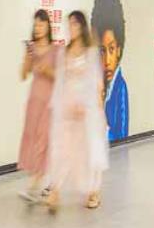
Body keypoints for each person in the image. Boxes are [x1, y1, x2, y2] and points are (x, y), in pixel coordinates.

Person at [45, 11, 108, 211]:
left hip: (87, 109)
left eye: (75, 24)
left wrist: (96, 107)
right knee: (63, 149)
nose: (71, 28)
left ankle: (93, 191)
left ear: (82, 27)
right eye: (69, 24)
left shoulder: (90, 52)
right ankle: (55, 190)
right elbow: (60, 81)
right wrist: (58, 106)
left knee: (90, 150)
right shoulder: (64, 52)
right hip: (67, 107)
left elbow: (96, 83)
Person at [18, 10, 58, 202]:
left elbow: (61, 77)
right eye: (35, 24)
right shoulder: (32, 49)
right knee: (33, 140)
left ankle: (35, 185)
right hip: (35, 101)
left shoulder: (56, 50)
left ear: (48, 26)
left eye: (41, 24)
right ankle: (49, 183)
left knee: (45, 140)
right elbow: (23, 75)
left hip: (50, 102)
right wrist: (28, 58)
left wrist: (47, 70)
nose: (38, 28)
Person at [91, 0, 129, 141]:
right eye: (102, 50)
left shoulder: (120, 88)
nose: (107, 61)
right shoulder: (94, 83)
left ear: (119, 49)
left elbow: (122, 137)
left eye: (111, 49)